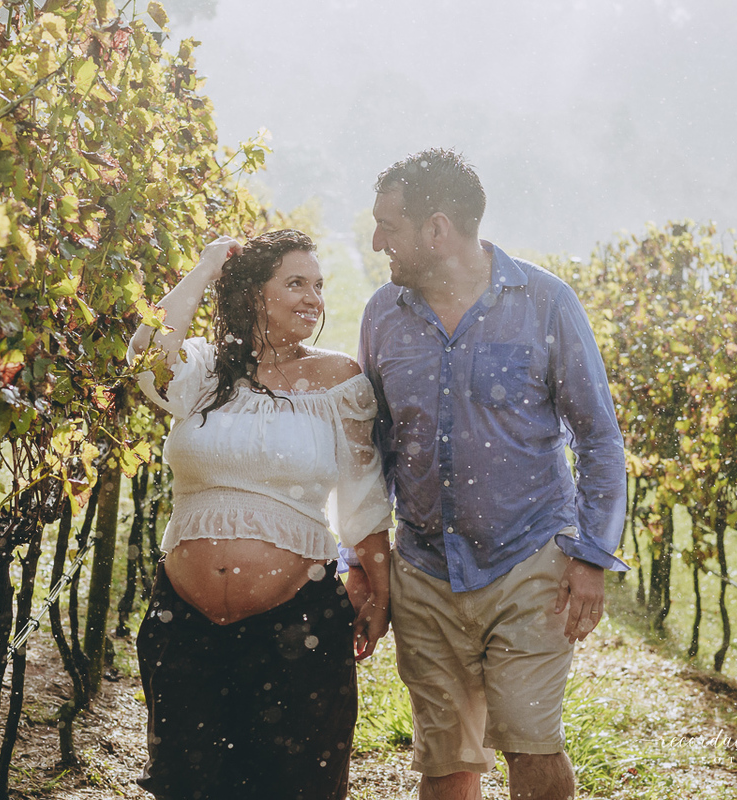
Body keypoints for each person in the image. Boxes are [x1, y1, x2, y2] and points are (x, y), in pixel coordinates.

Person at [346, 148, 627, 800]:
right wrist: (365, 562)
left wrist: (591, 556)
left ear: (436, 230)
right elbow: (371, 451)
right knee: (445, 764)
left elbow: (600, 441)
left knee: (531, 745)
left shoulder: (546, 304)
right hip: (424, 572)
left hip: (529, 563)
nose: (377, 240)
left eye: (389, 224)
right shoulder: (383, 315)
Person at [127, 229, 394, 800]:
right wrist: (204, 268)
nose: (312, 299)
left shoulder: (338, 381)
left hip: (296, 629)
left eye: (318, 286)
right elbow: (146, 360)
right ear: (253, 293)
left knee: (294, 789)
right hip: (185, 626)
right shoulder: (202, 371)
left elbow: (364, 494)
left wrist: (377, 586)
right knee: (187, 788)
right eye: (295, 282)